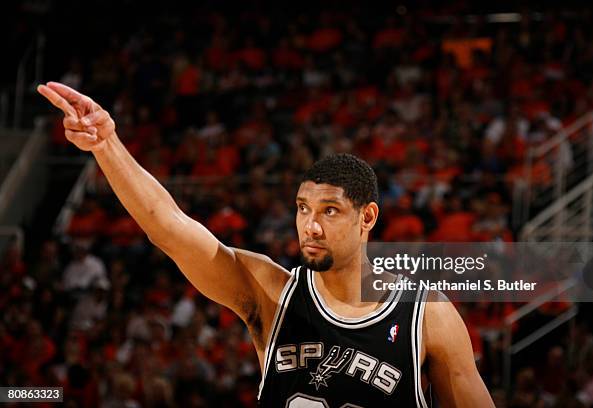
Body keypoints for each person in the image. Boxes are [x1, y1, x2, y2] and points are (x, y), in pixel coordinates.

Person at [38, 82, 494, 407]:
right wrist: (108, 145)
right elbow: (170, 227)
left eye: (329, 211)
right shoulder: (269, 292)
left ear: (367, 217)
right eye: (302, 208)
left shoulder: (425, 314)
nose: (310, 226)